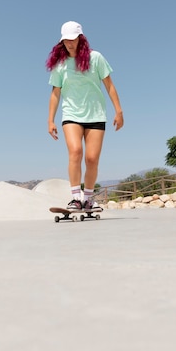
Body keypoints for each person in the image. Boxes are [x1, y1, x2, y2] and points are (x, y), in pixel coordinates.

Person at [46, 21, 124, 210]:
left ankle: (88, 199)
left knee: (91, 159)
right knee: (75, 151)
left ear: (81, 38)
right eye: (66, 41)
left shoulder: (95, 58)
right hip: (71, 114)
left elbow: (109, 85)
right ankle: (75, 198)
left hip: (96, 115)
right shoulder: (60, 65)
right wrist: (50, 120)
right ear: (62, 41)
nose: (70, 44)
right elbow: (56, 93)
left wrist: (118, 111)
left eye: (73, 39)